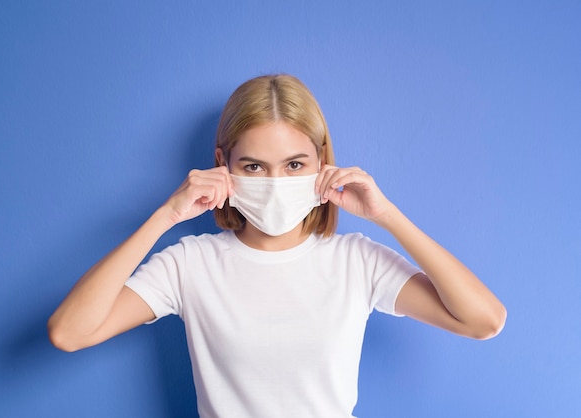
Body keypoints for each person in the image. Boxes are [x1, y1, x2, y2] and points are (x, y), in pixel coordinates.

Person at [48, 74, 506, 418]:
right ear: (222, 165)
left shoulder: (356, 262)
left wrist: (387, 215)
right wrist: (165, 216)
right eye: (253, 166)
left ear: (322, 163)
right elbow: (69, 332)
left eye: (293, 164)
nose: (274, 183)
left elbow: (483, 320)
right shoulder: (190, 264)